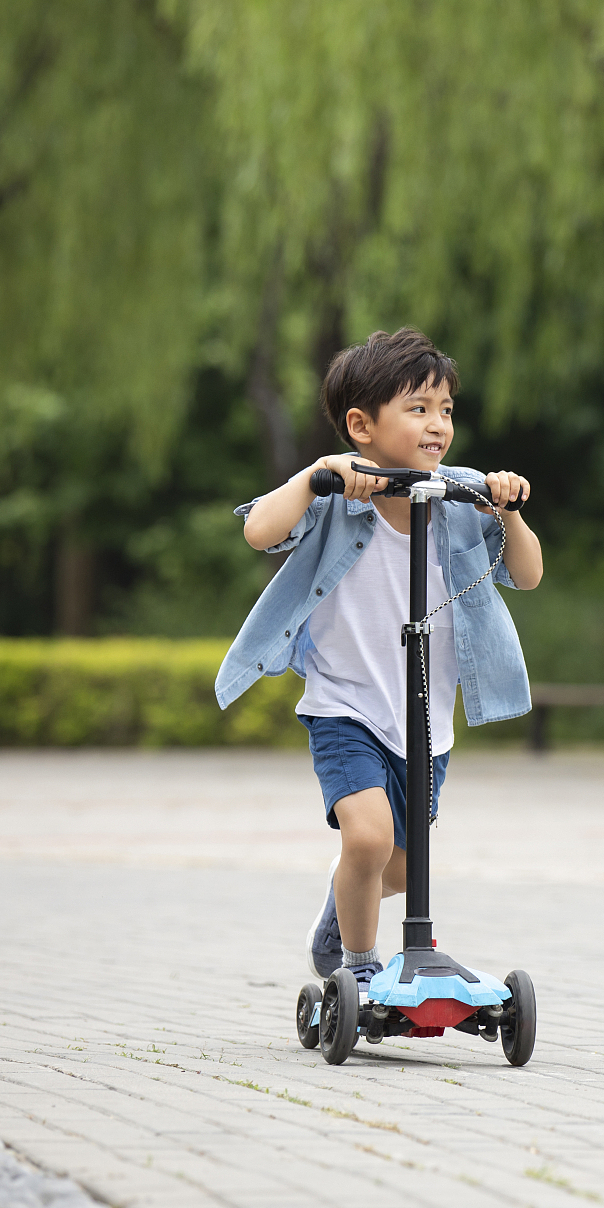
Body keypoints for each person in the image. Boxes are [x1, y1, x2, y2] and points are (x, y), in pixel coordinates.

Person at [214, 328, 542, 997]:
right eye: (418, 408)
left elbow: (528, 574)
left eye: (445, 408)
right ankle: (358, 970)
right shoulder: (336, 494)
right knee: (365, 840)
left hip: (423, 721)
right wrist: (315, 477)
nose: (438, 424)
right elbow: (259, 531)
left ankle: (338, 914)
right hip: (346, 707)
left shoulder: (462, 496)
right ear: (362, 425)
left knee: (399, 866)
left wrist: (508, 508)